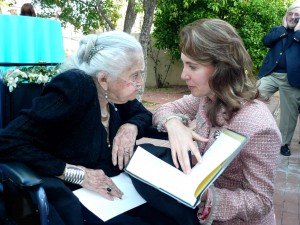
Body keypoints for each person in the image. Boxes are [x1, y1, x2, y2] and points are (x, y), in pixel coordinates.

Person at [0, 31, 176, 225]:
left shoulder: (115, 94)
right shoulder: (75, 87)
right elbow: (7, 141)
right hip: (77, 194)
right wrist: (79, 174)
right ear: (103, 79)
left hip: (115, 189)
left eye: (141, 74)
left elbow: (143, 115)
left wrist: (130, 126)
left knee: (171, 212)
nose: (141, 83)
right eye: (135, 75)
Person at [131, 19, 281, 225]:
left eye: (192, 66)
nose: (184, 75)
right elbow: (165, 109)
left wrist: (204, 195)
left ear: (221, 68)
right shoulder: (206, 97)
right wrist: (174, 125)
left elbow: (261, 201)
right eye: (183, 64)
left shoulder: (259, 126)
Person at [257, 1, 300, 156]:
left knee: (289, 114)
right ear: (286, 15)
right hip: (272, 74)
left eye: (297, 15)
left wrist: (298, 32)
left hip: (292, 79)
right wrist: (283, 29)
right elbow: (266, 41)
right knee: (254, 96)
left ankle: (283, 143)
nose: (293, 17)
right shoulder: (278, 30)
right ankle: (253, 129)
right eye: (291, 14)